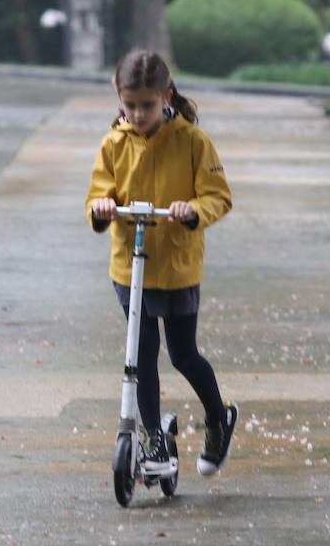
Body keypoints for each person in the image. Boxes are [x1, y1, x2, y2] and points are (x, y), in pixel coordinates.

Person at [87, 49, 237, 477]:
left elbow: (218, 195)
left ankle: (218, 417)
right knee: (141, 354)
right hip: (129, 264)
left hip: (175, 265)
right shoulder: (113, 143)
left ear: (166, 96)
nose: (137, 114)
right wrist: (100, 207)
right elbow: (100, 193)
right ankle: (153, 440)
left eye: (146, 105)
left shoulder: (192, 140)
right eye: (129, 105)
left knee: (183, 354)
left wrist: (194, 211)